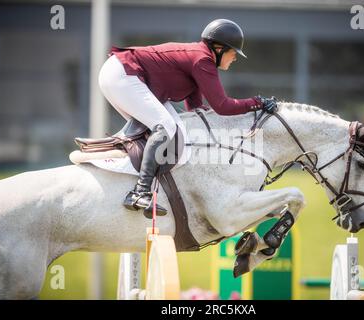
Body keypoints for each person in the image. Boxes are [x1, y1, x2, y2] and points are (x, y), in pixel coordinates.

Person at [98, 18, 278, 217]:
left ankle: (141, 184)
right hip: (122, 73)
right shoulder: (203, 60)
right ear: (218, 48)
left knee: (171, 127)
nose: (235, 57)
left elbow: (195, 110)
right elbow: (222, 106)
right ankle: (140, 192)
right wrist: (257, 103)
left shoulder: (199, 60)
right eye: (233, 52)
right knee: (165, 126)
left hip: (122, 73)